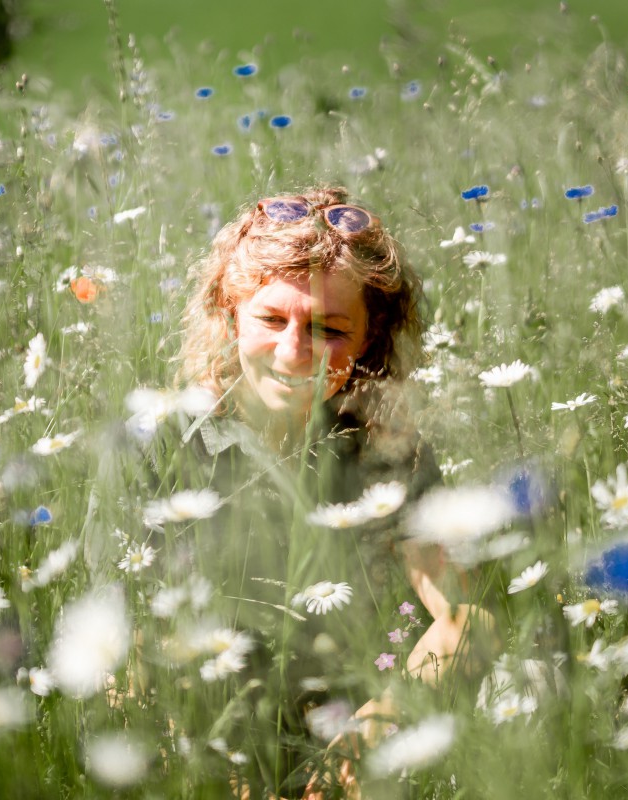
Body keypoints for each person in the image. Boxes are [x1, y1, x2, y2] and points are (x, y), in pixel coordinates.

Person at [143, 187, 492, 796]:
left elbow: (467, 619)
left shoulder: (389, 450)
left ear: (369, 339)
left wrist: (383, 722)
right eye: (272, 319)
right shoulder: (164, 448)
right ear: (230, 314)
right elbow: (129, 660)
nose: (293, 352)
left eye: (328, 328)